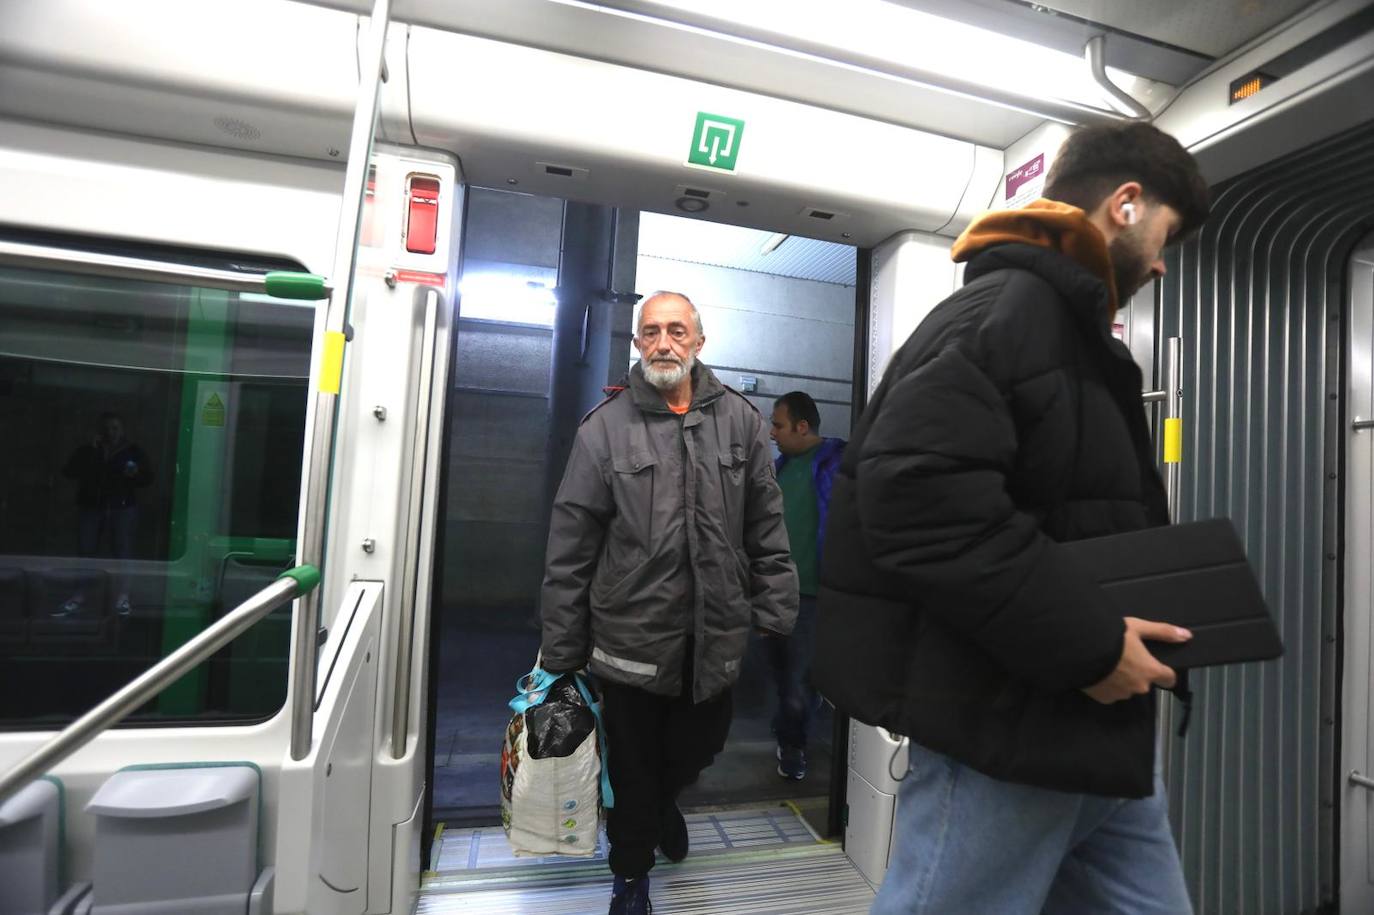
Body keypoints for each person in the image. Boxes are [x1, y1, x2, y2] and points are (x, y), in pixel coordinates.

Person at [812, 123, 1211, 913]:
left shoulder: (1072, 331)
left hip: (1095, 735)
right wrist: (1093, 645)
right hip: (1008, 729)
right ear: (1126, 205)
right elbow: (918, 499)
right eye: (1169, 235)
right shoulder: (1006, 314)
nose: (1164, 261)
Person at [540, 291, 798, 915]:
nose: (663, 342)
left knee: (698, 747)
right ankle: (630, 878)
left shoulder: (740, 420)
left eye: (676, 330)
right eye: (651, 331)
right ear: (637, 344)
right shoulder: (604, 427)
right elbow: (571, 543)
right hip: (629, 638)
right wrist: (562, 647)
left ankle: (660, 805)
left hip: (713, 637)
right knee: (630, 767)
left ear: (699, 342)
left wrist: (775, 607)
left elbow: (766, 523)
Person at [767, 390, 845, 781]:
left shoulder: (838, 464)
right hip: (775, 594)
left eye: (778, 425)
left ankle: (794, 744)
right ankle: (789, 733)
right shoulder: (779, 469)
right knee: (782, 675)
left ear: (802, 426)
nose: (771, 433)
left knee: (798, 681)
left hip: (813, 596)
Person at [61, 412, 154, 616]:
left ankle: (123, 596)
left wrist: (135, 473)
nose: (110, 433)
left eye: (115, 428)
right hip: (92, 506)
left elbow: (148, 478)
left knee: (123, 551)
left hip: (122, 507)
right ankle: (80, 594)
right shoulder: (89, 449)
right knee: (86, 551)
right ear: (99, 430)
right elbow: (69, 471)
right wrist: (90, 451)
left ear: (122, 430)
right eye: (106, 428)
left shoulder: (132, 451)